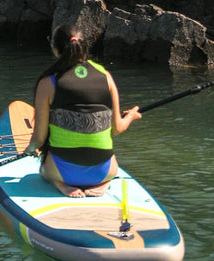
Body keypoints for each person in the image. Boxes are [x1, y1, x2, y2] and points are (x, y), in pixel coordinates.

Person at [24, 25, 142, 198]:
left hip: (63, 173)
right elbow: (117, 128)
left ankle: (60, 184)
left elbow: (39, 138)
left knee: (42, 170)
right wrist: (131, 116)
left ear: (56, 49)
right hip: (105, 171)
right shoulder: (106, 76)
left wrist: (30, 149)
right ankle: (104, 183)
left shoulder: (48, 82)